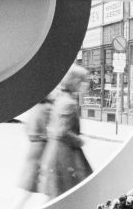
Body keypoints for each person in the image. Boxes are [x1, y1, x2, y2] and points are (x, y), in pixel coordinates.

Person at [38, 64, 93, 200]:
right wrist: (80, 141)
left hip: (56, 152)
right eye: (84, 81)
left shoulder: (61, 99)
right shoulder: (69, 103)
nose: (86, 85)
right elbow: (62, 132)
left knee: (56, 195)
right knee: (64, 195)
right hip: (64, 156)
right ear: (76, 82)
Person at [11, 95, 54, 209]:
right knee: (48, 191)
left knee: (26, 191)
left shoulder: (34, 107)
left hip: (33, 149)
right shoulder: (47, 108)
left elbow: (25, 128)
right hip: (42, 151)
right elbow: (52, 130)